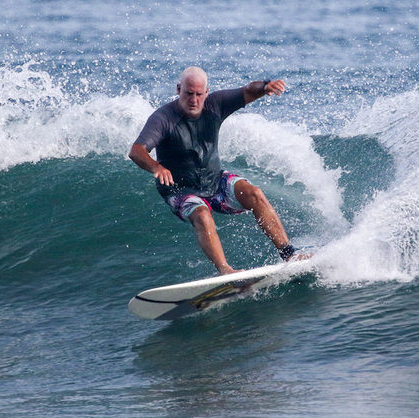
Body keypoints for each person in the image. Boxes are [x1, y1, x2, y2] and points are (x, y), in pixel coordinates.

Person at [129, 66, 300, 274]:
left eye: (199, 94)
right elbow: (137, 150)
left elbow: (248, 90)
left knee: (254, 193)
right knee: (202, 215)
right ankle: (226, 271)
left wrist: (265, 86)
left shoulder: (216, 104)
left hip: (214, 181)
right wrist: (156, 167)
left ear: (206, 92)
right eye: (188, 93)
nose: (194, 100)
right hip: (181, 190)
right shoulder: (163, 118)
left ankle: (289, 254)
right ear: (178, 89)